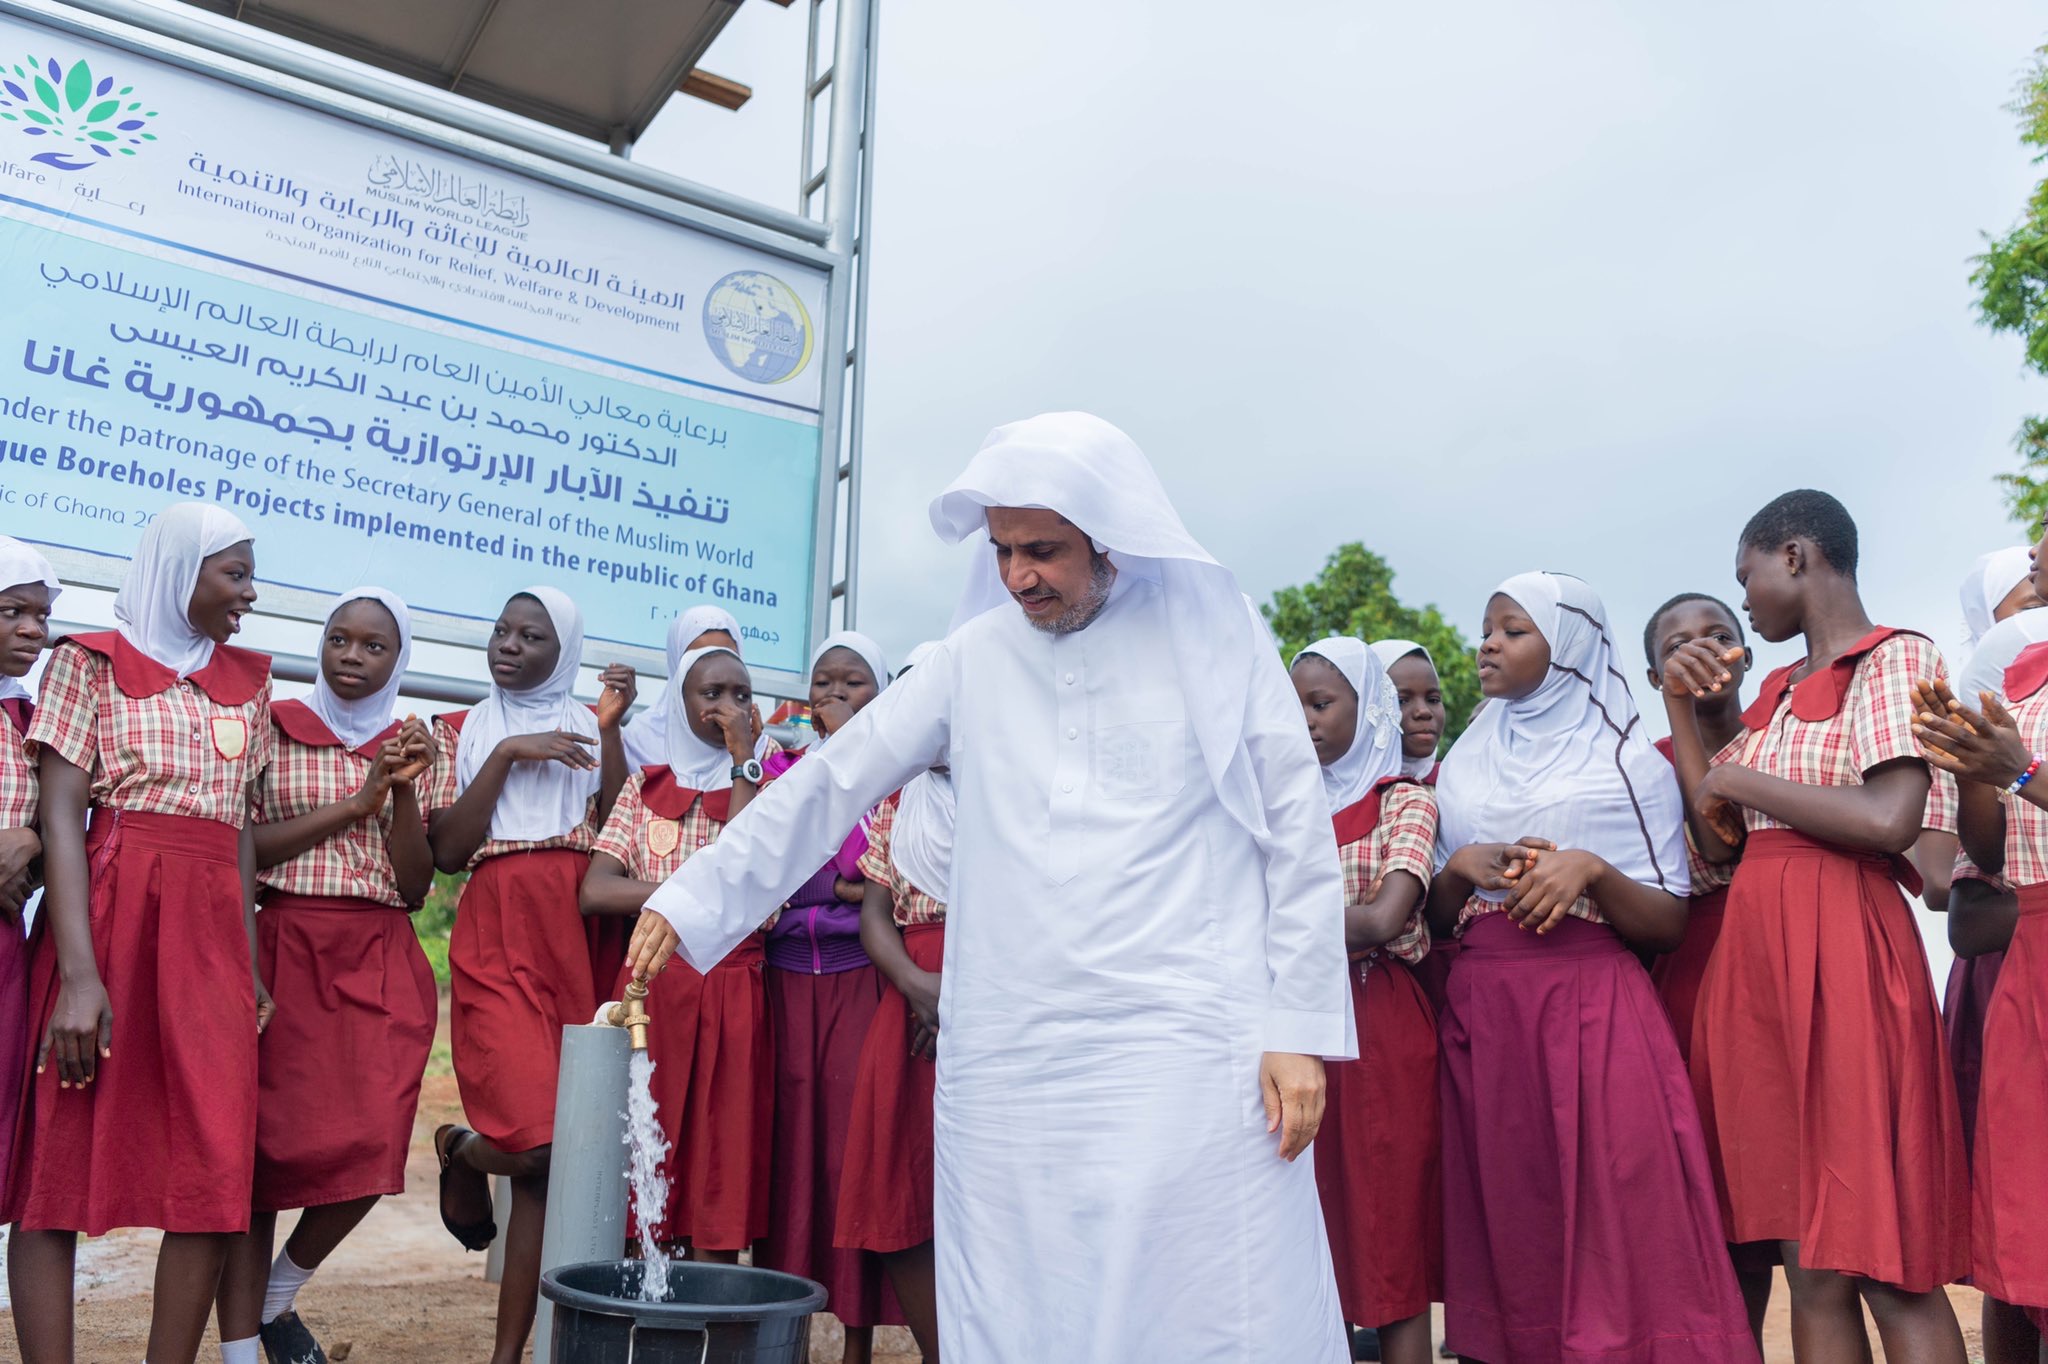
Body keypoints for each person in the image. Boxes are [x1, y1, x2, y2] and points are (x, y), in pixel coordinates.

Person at [624, 412, 1354, 1362]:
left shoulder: (1216, 633)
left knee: (1202, 1289)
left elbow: (1295, 829)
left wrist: (1296, 1028)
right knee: (1023, 1294)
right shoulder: (975, 657)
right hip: (1018, 1054)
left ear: (1110, 538)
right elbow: (831, 783)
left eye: (1042, 550)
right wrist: (689, 900)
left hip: (1183, 1042)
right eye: (1003, 550)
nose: (1018, 576)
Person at [1426, 571, 1753, 1364]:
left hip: (1592, 1010)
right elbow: (1433, 921)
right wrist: (1463, 865)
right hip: (1487, 1014)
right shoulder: (1463, 763)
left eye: (1512, 629)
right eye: (1488, 628)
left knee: (1621, 1222)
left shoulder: (1627, 765)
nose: (1487, 645)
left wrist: (1593, 873)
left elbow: (1672, 921)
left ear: (1567, 646)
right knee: (1513, 1223)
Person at [1675, 490, 1968, 1363]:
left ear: (1795, 557)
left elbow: (1888, 818)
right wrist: (1684, 707)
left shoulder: (1895, 659)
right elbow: (1713, 826)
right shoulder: (1774, 691)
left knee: (1886, 1261)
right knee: (1811, 1262)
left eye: (1748, 577)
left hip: (1845, 948)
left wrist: (1740, 784)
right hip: (1761, 964)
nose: (1746, 600)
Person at [6, 505, 274, 1364]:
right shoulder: (88, 663)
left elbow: (236, 830)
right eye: (233, 574)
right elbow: (62, 814)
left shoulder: (253, 680)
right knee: (57, 1167)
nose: (249, 592)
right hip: (109, 919)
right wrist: (80, 979)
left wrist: (249, 962)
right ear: (178, 571)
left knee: (212, 1170)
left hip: (211, 943)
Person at [212, 589, 437, 1364]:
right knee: (261, 1160)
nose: (351, 655)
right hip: (283, 940)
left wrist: (400, 786)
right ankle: (243, 1347)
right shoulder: (273, 724)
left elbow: (415, 885)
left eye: (373, 646)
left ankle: (279, 1294)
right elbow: (246, 847)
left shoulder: (416, 741)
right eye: (339, 638)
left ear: (397, 660)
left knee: (374, 1145)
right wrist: (356, 802)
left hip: (379, 952)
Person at [421, 586, 635, 1364]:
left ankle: (508, 1354)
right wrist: (512, 753)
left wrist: (607, 732)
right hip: (500, 924)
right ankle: (459, 1147)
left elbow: (621, 819)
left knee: (562, 1159)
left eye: (532, 636)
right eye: (502, 631)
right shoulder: (461, 732)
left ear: (564, 651)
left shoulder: (589, 727)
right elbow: (446, 850)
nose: (508, 645)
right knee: (540, 1147)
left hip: (579, 932)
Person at [580, 643, 771, 1263]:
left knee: (721, 1152)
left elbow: (747, 886)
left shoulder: (768, 793)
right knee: (646, 1140)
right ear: (678, 702)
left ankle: (708, 1310)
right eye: (709, 693)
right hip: (654, 988)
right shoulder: (645, 787)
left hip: (732, 987)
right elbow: (597, 888)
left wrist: (746, 762)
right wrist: (691, 893)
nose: (726, 707)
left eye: (740, 695)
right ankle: (643, 1307)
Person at [1292, 637, 1441, 1364]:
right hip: (1294, 1028)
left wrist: (1269, 924)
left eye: (1320, 705)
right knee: (1305, 1230)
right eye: (1294, 708)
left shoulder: (1402, 801)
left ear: (1366, 707)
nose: (1305, 722)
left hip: (1376, 1024)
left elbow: (1386, 918)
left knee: (1388, 1233)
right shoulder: (1280, 807)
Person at [758, 630, 901, 1360]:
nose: (835, 695)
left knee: (850, 1162)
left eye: (855, 684)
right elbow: (772, 864)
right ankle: (783, 1335)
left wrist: (844, 764)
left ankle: (856, 1340)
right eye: (824, 685)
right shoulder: (783, 768)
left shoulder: (889, 776)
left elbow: (855, 866)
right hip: (785, 984)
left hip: (856, 981)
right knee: (790, 1159)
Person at [1913, 615, 2048, 1350]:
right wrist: (1972, 766)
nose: (2037, 550)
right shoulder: (2018, 683)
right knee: (2031, 1251)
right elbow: (1981, 869)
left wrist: (2024, 773)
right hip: (2031, 969)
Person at [835, 640, 951, 1363]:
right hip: (909, 1002)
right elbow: (874, 916)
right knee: (896, 1193)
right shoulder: (898, 803)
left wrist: (961, 996)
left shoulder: (1016, 792)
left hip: (997, 1000)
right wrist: (917, 987)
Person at [0, 538, 57, 1213]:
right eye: (14, 612)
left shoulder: (30, 721)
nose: (33, 631)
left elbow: (77, 824)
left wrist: (29, 840)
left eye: (41, 617)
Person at [1372, 639, 1455, 1018]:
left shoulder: (1456, 787)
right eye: (1402, 700)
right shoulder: (1338, 797)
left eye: (1433, 699)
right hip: (1374, 987)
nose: (1423, 712)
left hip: (1449, 976)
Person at [620, 605, 744, 771]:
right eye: (700, 658)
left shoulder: (758, 746)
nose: (716, 668)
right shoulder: (640, 738)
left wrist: (744, 755)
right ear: (677, 663)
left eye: (726, 656)